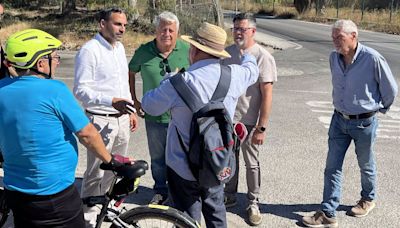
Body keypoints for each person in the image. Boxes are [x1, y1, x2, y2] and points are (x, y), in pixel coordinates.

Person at [141, 22, 259, 228]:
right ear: (219, 53)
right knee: (215, 210)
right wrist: (246, 50)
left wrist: (167, 79)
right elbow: (252, 69)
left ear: (194, 50)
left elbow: (149, 106)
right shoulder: (235, 75)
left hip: (182, 166)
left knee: (186, 217)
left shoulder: (177, 83)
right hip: (216, 160)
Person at [0, 29, 115, 228]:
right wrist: (111, 161)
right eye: (54, 57)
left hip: (16, 192)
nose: (58, 61)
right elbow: (87, 134)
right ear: (40, 63)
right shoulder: (54, 90)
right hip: (54, 196)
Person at [302, 19, 398, 227]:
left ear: (353, 36)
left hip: (364, 123)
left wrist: (377, 109)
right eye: (333, 38)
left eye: (340, 37)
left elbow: (390, 90)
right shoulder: (333, 58)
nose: (335, 42)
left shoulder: (372, 58)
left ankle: (368, 199)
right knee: (332, 167)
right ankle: (328, 212)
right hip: (339, 120)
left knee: (365, 164)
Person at [73, 7, 138, 227]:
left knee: (116, 168)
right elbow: (81, 90)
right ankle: (89, 218)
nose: (122, 29)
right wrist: (110, 101)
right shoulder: (89, 50)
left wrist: (131, 111)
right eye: (118, 24)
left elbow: (123, 84)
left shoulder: (119, 48)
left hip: (121, 119)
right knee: (95, 173)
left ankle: (106, 209)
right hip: (100, 120)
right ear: (102, 24)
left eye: (125, 25)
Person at [128, 11, 190, 205]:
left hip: (181, 117)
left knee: (182, 157)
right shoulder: (144, 51)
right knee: (158, 158)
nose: (167, 34)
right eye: (163, 29)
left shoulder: (187, 50)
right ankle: (161, 190)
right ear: (156, 31)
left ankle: (179, 191)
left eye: (171, 30)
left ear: (177, 32)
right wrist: (135, 100)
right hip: (154, 116)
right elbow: (130, 73)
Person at [221, 13, 277, 226]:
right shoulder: (227, 53)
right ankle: (229, 194)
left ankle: (253, 202)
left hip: (250, 122)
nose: (237, 33)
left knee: (251, 163)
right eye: (235, 29)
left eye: (242, 29)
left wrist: (261, 127)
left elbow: (267, 93)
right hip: (228, 120)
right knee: (229, 159)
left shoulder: (262, 56)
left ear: (253, 31)